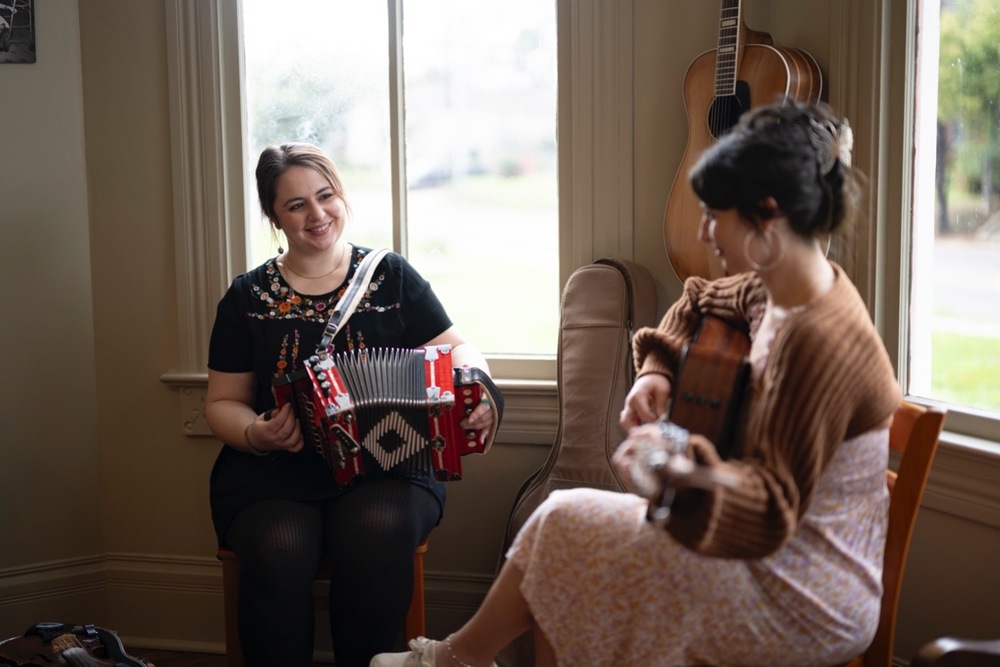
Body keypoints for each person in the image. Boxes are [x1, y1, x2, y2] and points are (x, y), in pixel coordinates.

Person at [370, 100, 902, 667]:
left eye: (714, 214)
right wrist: (655, 370)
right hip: (762, 549)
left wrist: (675, 466)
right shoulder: (775, 288)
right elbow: (696, 299)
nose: (703, 230)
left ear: (765, 215)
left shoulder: (820, 339)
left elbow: (770, 511)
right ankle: (459, 660)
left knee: (568, 556)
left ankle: (453, 660)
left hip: (803, 589)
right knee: (559, 522)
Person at [205, 142, 494, 667]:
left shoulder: (391, 276)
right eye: (296, 205)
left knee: (375, 533)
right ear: (274, 214)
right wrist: (255, 433)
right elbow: (223, 402)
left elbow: (459, 351)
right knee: (278, 548)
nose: (317, 215)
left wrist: (480, 388)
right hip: (275, 471)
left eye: (325, 195)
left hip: (389, 464)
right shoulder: (246, 297)